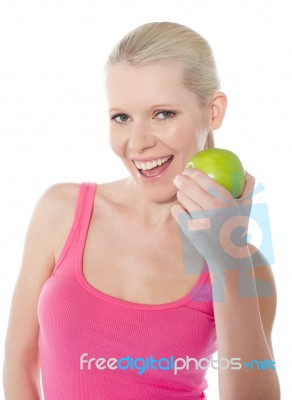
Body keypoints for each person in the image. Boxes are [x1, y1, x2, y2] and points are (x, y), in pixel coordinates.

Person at [3, 21, 280, 399]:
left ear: (213, 112)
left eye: (163, 114)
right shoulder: (61, 211)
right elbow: (18, 363)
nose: (138, 143)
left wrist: (227, 262)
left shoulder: (247, 261)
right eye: (122, 117)